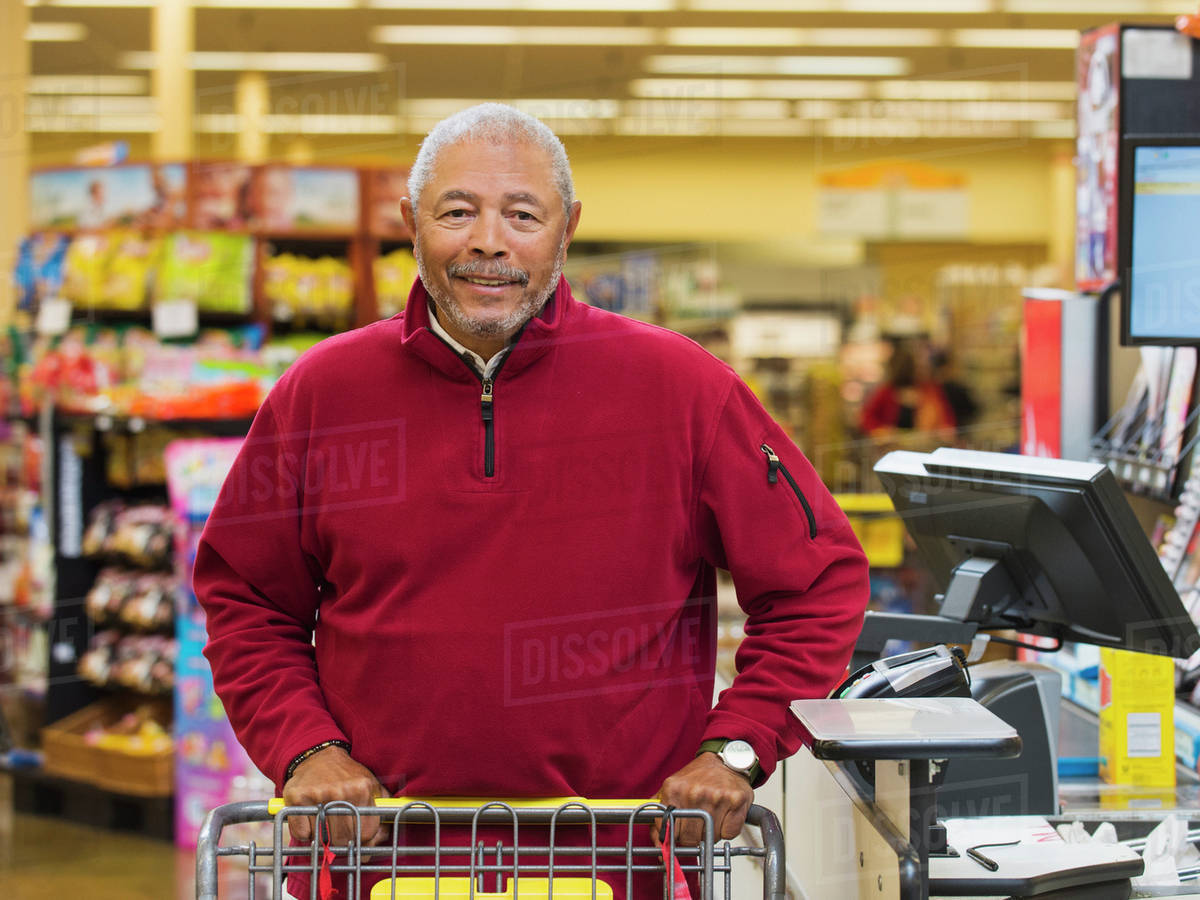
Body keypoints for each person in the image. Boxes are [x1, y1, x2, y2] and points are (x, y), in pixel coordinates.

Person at [194, 103, 870, 898]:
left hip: (618, 865)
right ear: (411, 222)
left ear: (567, 227)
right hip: (376, 863)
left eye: (522, 214)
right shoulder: (322, 394)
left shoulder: (683, 390)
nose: (489, 241)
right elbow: (246, 599)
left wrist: (737, 748)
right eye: (457, 212)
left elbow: (817, 584)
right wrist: (306, 749)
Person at [859, 339, 956, 440]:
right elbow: (867, 417)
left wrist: (946, 430)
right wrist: (880, 431)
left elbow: (946, 417)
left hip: (926, 444)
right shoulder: (886, 391)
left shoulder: (929, 389)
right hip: (895, 445)